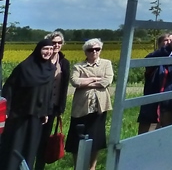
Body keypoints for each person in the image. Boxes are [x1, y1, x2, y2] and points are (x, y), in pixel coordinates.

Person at [0, 38, 56, 170]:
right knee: (15, 145)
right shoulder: (24, 67)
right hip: (19, 115)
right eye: (45, 49)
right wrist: (6, 110)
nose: (48, 52)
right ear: (38, 50)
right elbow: (9, 88)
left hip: (37, 116)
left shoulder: (51, 69)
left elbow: (49, 92)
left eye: (50, 49)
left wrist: (46, 111)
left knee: (31, 146)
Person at [65, 39, 113, 170]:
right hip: (81, 107)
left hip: (99, 106)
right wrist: (95, 79)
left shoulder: (106, 63)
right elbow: (75, 81)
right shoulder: (78, 66)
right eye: (91, 50)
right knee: (76, 138)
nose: (94, 52)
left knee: (96, 138)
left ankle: (92, 167)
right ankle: (78, 166)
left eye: (97, 49)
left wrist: (85, 82)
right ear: (85, 52)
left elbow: (107, 81)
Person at [137, 33, 172, 133]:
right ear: (159, 44)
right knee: (146, 140)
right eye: (166, 40)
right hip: (153, 109)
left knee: (170, 139)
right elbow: (150, 60)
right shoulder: (153, 57)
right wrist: (169, 47)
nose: (170, 42)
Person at [34, 31, 70, 170]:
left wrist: (61, 107)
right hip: (38, 106)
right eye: (54, 42)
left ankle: (39, 166)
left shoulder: (64, 62)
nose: (56, 45)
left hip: (53, 107)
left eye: (59, 42)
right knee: (34, 137)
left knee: (45, 139)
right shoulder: (41, 60)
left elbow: (64, 86)